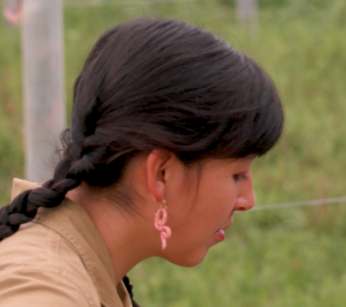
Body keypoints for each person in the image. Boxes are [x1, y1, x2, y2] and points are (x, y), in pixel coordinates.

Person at [0, 18, 284, 307]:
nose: (248, 200)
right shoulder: (42, 293)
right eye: (237, 174)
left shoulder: (77, 269)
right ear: (161, 174)